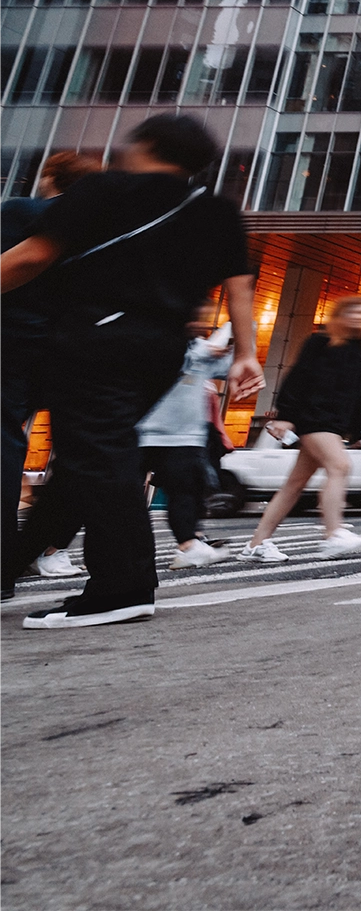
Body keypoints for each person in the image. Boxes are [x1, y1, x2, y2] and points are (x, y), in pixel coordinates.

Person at [0, 114, 261, 628]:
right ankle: (18, 561)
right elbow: (239, 289)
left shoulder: (105, 190)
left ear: (146, 145)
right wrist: (247, 354)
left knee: (99, 457)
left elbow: (31, 257)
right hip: (163, 349)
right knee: (92, 457)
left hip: (96, 335)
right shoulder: (215, 210)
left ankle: (121, 588)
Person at [0, 150, 100, 600]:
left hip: (9, 339)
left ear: (51, 178)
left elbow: (15, 265)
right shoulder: (100, 229)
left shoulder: (25, 211)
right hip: (61, 353)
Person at [241, 297, 361, 563]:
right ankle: (333, 533)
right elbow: (297, 378)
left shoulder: (359, 353)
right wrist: (286, 416)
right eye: (354, 312)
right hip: (313, 419)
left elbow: (359, 398)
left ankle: (256, 544)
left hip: (332, 426)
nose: (360, 317)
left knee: (294, 484)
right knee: (340, 466)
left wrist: (356, 433)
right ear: (339, 315)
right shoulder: (319, 342)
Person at [138, 303, 234, 568]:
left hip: (183, 436)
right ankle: (57, 549)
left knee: (185, 493)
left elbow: (229, 368)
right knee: (117, 492)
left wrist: (237, 336)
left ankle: (189, 545)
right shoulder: (156, 341)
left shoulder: (201, 349)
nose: (200, 324)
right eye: (194, 318)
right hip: (140, 430)